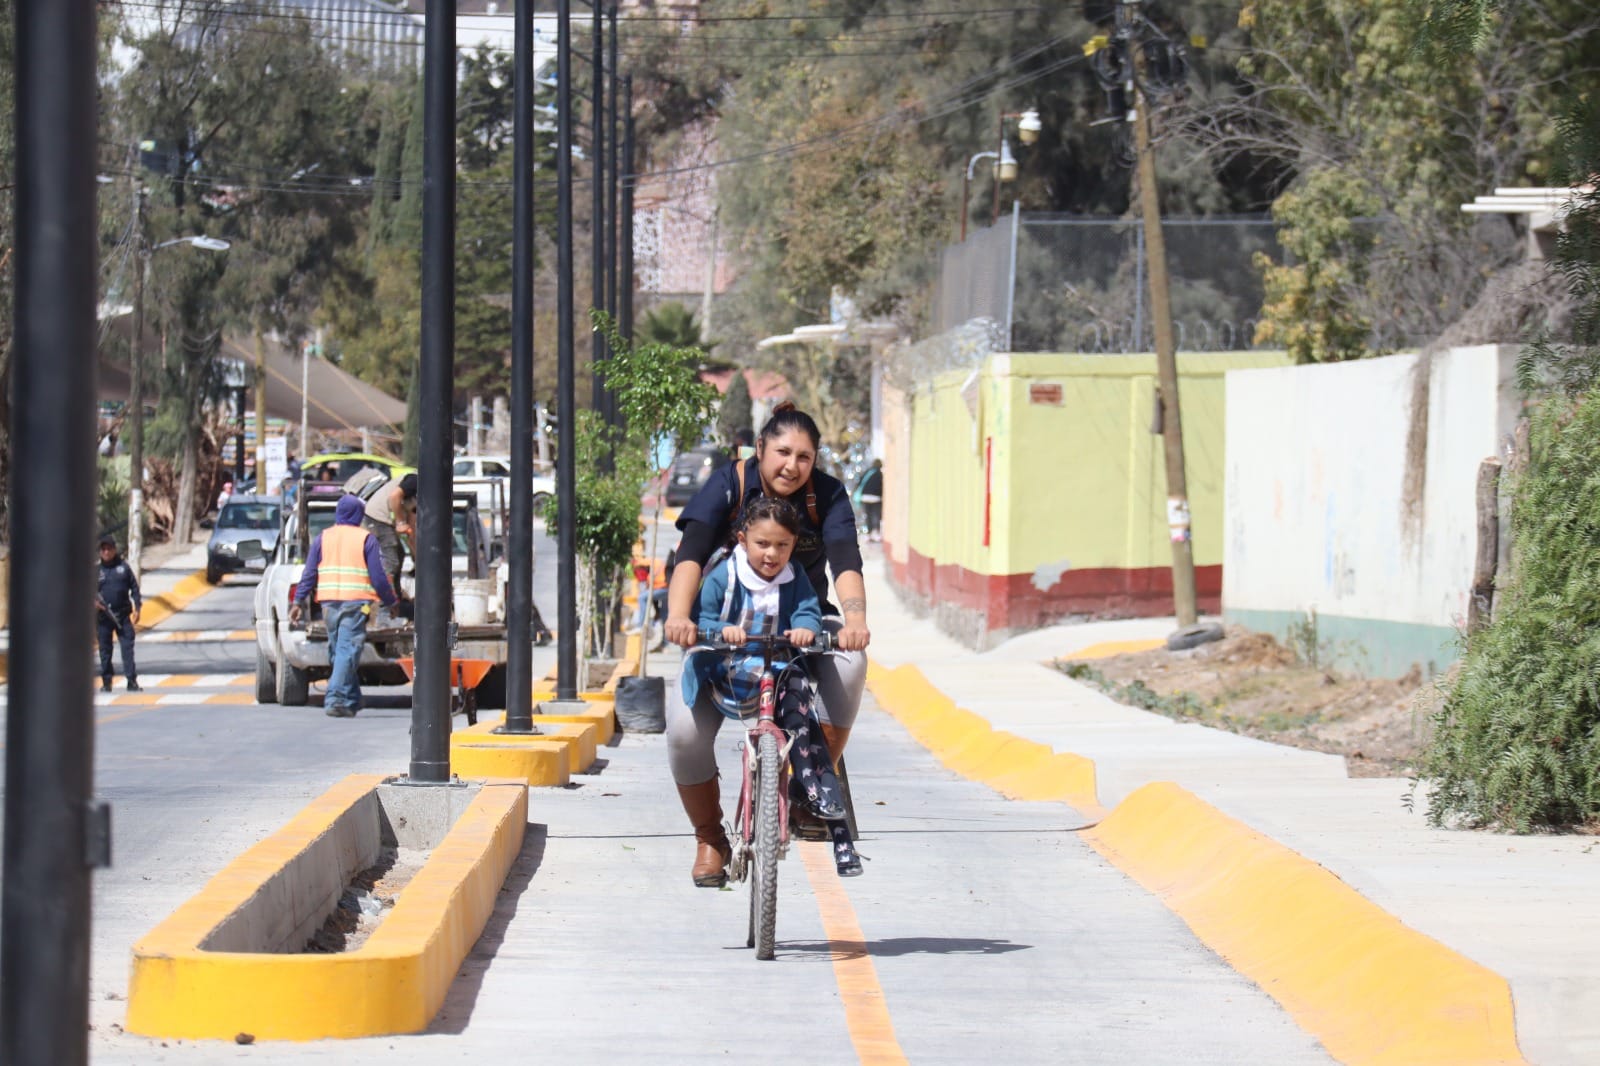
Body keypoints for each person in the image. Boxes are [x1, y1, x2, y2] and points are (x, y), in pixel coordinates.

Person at [664, 402, 872, 885]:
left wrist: (856, 621)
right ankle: (709, 837)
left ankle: (805, 790)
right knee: (682, 732)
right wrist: (679, 616)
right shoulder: (728, 484)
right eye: (782, 452)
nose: (792, 466)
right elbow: (690, 553)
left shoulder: (828, 496)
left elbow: (845, 560)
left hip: (799, 621)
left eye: (804, 456)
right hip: (722, 626)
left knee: (851, 662)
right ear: (760, 449)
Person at [681, 496, 861, 880]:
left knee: (801, 709)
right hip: (727, 671)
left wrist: (807, 627)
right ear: (743, 540)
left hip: (776, 667)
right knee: (686, 733)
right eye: (762, 544)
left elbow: (808, 609)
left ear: (794, 545)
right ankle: (712, 838)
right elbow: (704, 617)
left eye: (782, 545)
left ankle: (813, 795)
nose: (772, 554)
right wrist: (719, 630)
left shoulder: (793, 577)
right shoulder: (724, 577)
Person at [290, 495, 398, 717]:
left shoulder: (323, 537)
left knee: (338, 650)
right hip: (355, 603)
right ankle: (336, 699)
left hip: (329, 603)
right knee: (346, 651)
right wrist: (391, 601)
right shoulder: (366, 538)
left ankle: (351, 698)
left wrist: (298, 601)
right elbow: (378, 578)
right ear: (358, 515)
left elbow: (309, 574)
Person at [95, 535, 142, 693]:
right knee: (105, 651)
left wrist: (138, 607)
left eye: (109, 549)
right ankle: (107, 682)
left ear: (114, 549)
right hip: (103, 618)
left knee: (127, 649)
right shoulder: (96, 571)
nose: (106, 552)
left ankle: (131, 681)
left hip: (122, 616)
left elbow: (134, 588)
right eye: (103, 549)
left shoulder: (123, 568)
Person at [361, 472, 417, 595]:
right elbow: (394, 497)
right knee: (392, 560)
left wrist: (416, 558)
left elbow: (412, 531)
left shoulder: (417, 498)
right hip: (377, 517)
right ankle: (385, 603)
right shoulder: (415, 480)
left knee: (399, 554)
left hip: (383, 519)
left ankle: (395, 597)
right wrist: (400, 522)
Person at [856, 459, 884, 542]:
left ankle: (869, 534)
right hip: (876, 497)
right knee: (876, 515)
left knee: (868, 515)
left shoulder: (868, 472)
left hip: (865, 497)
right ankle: (876, 533)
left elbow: (859, 482)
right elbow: (881, 486)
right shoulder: (879, 473)